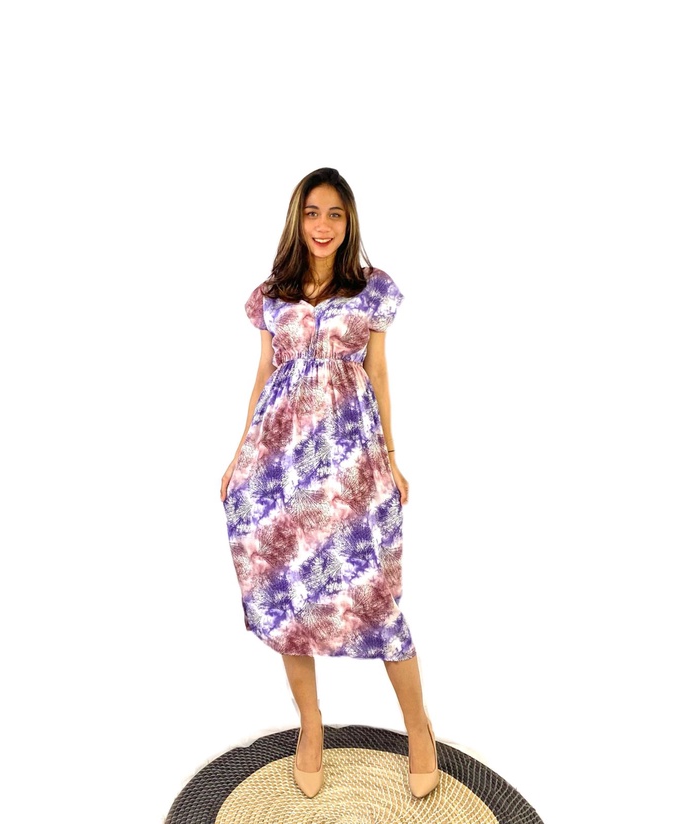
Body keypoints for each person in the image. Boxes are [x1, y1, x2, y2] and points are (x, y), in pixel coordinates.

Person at [220, 167, 439, 799]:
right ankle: (310, 727)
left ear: (349, 222)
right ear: (298, 219)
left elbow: (379, 372)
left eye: (335, 214)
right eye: (313, 213)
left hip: (352, 461)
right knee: (287, 592)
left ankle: (418, 729)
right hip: (278, 462)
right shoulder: (274, 294)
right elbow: (265, 374)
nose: (323, 225)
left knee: (377, 597)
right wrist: (238, 455)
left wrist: (391, 457)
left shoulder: (370, 290)